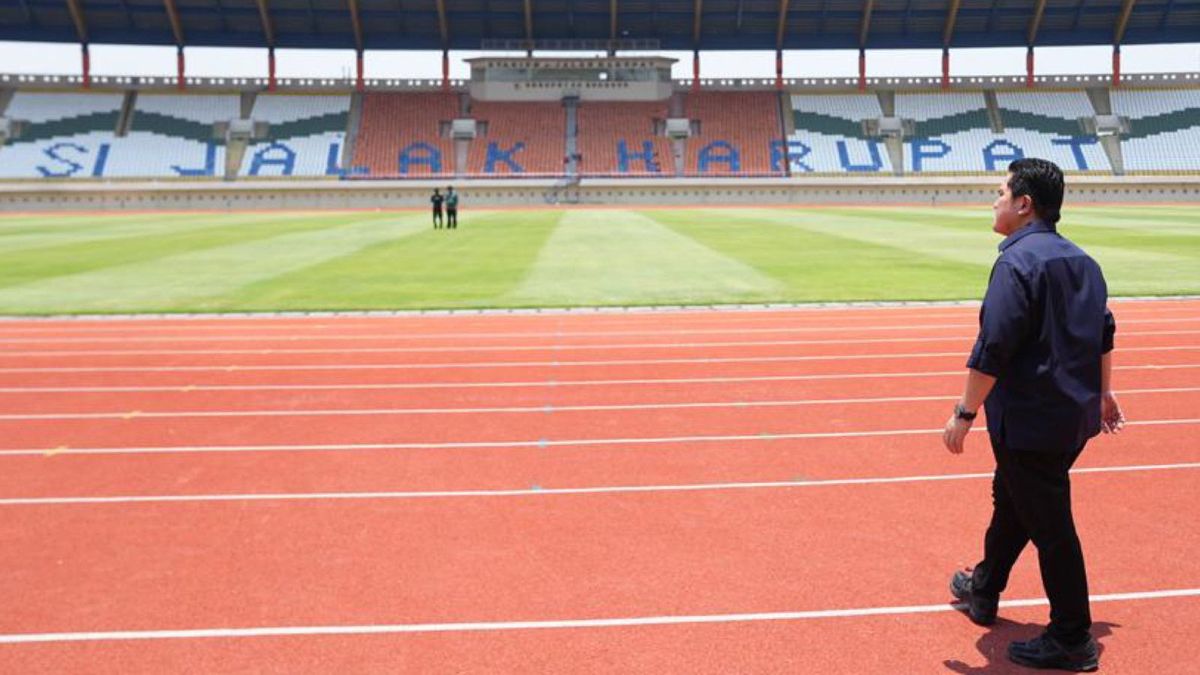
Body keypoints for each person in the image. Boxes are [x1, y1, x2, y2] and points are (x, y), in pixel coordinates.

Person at [942, 158, 1125, 672]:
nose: (994, 201)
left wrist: (964, 412)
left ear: (1024, 204)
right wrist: (1105, 395)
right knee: (1017, 500)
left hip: (1028, 420)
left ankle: (1071, 636)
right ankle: (984, 587)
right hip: (1072, 419)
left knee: (1049, 523)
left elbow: (993, 346)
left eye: (1000, 192)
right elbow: (1104, 334)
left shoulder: (1016, 264)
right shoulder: (1084, 261)